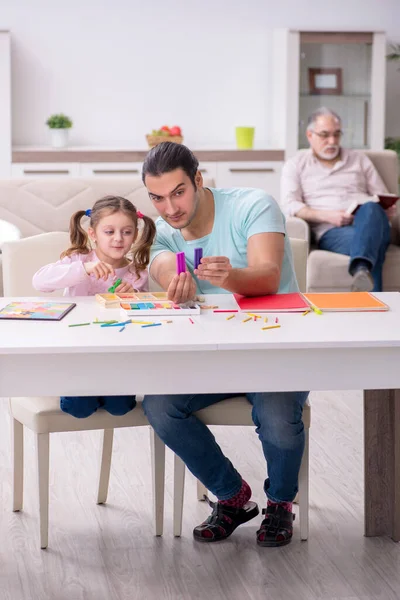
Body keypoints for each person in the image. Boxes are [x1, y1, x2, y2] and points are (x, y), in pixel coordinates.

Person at [141, 141, 309, 547]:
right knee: (160, 405)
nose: (170, 208)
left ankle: (281, 504)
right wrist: (170, 280)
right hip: (210, 358)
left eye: (178, 192)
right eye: (157, 198)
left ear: (198, 180)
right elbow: (162, 263)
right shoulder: (163, 230)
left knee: (278, 423)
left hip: (275, 350)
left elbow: (268, 275)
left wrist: (231, 277)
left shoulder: (254, 204)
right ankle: (233, 497)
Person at [33, 195, 156, 418]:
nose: (118, 239)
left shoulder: (136, 274)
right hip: (77, 353)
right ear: (93, 234)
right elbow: (39, 281)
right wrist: (84, 269)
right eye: (109, 232)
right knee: (79, 408)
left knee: (120, 407)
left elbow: (143, 320)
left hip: (114, 357)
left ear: (135, 235)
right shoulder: (78, 260)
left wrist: (134, 296)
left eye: (126, 232)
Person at [280, 107, 392, 292]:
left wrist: (387, 208)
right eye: (324, 135)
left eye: (336, 134)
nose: (332, 141)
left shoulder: (359, 159)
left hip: (369, 220)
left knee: (372, 208)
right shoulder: (296, 164)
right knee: (375, 242)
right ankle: (367, 283)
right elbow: (289, 205)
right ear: (310, 135)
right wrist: (327, 216)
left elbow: (381, 194)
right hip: (332, 232)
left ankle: (361, 269)